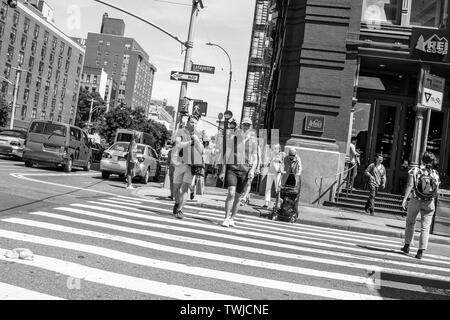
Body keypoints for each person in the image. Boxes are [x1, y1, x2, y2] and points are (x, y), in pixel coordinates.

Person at [219, 117, 258, 227]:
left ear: (251, 127)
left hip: (245, 171)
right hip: (233, 169)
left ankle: (232, 218)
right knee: (231, 193)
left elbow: (255, 158)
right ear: (241, 125)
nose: (246, 127)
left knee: (238, 197)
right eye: (244, 124)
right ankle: (226, 218)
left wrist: (252, 170)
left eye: (248, 125)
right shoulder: (234, 138)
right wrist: (223, 170)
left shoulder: (253, 142)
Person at [401, 152, 440, 260]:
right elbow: (436, 190)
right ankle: (420, 251)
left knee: (410, 222)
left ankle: (407, 246)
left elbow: (410, 185)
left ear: (422, 160)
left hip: (416, 200)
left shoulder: (416, 170)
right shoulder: (435, 173)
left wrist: (405, 199)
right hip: (429, 202)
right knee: (425, 227)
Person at [171, 116, 203, 219]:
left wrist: (197, 142)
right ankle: (177, 203)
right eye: (192, 122)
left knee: (185, 188)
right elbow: (177, 145)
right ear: (188, 122)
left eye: (195, 123)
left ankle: (180, 210)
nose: (194, 124)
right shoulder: (180, 132)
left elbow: (201, 150)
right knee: (176, 188)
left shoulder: (197, 134)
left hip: (191, 164)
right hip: (180, 162)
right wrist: (189, 142)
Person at [277, 148, 302, 214]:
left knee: (292, 193)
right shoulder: (286, 158)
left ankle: (291, 207)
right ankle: (283, 206)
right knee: (283, 191)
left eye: (293, 155)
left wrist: (299, 172)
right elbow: (282, 165)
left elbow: (300, 166)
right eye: (290, 155)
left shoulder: (297, 158)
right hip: (286, 176)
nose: (291, 157)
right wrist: (282, 170)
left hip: (293, 177)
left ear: (295, 155)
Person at [264, 144, 284, 208]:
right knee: (268, 187)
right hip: (270, 171)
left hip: (277, 173)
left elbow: (283, 164)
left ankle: (277, 203)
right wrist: (268, 162)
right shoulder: (272, 153)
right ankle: (266, 203)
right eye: (274, 148)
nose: (274, 150)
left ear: (279, 149)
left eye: (276, 148)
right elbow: (268, 161)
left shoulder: (282, 154)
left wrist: (281, 169)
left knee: (277, 188)